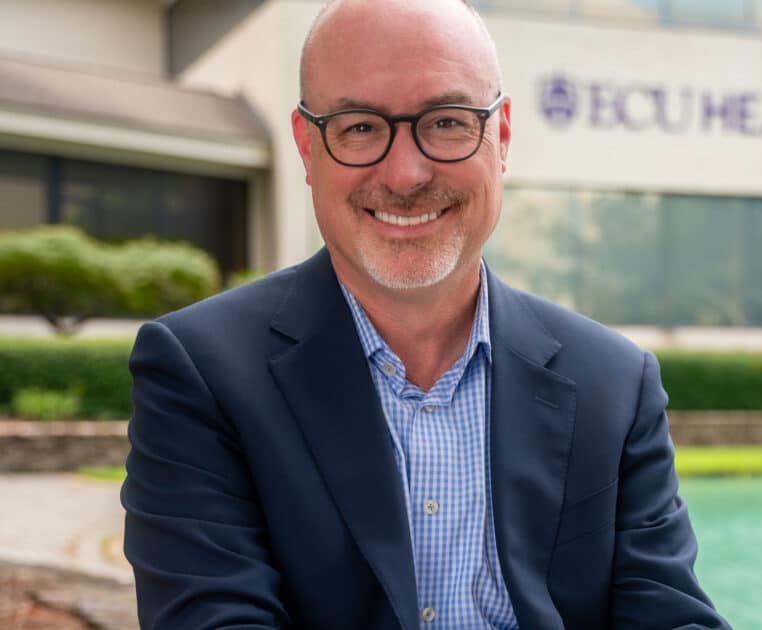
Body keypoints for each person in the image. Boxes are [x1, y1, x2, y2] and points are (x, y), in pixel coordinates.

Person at [121, 1, 731, 628]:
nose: (406, 173)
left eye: (445, 121)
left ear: (503, 137)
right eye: (359, 127)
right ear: (307, 148)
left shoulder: (616, 384)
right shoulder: (199, 372)